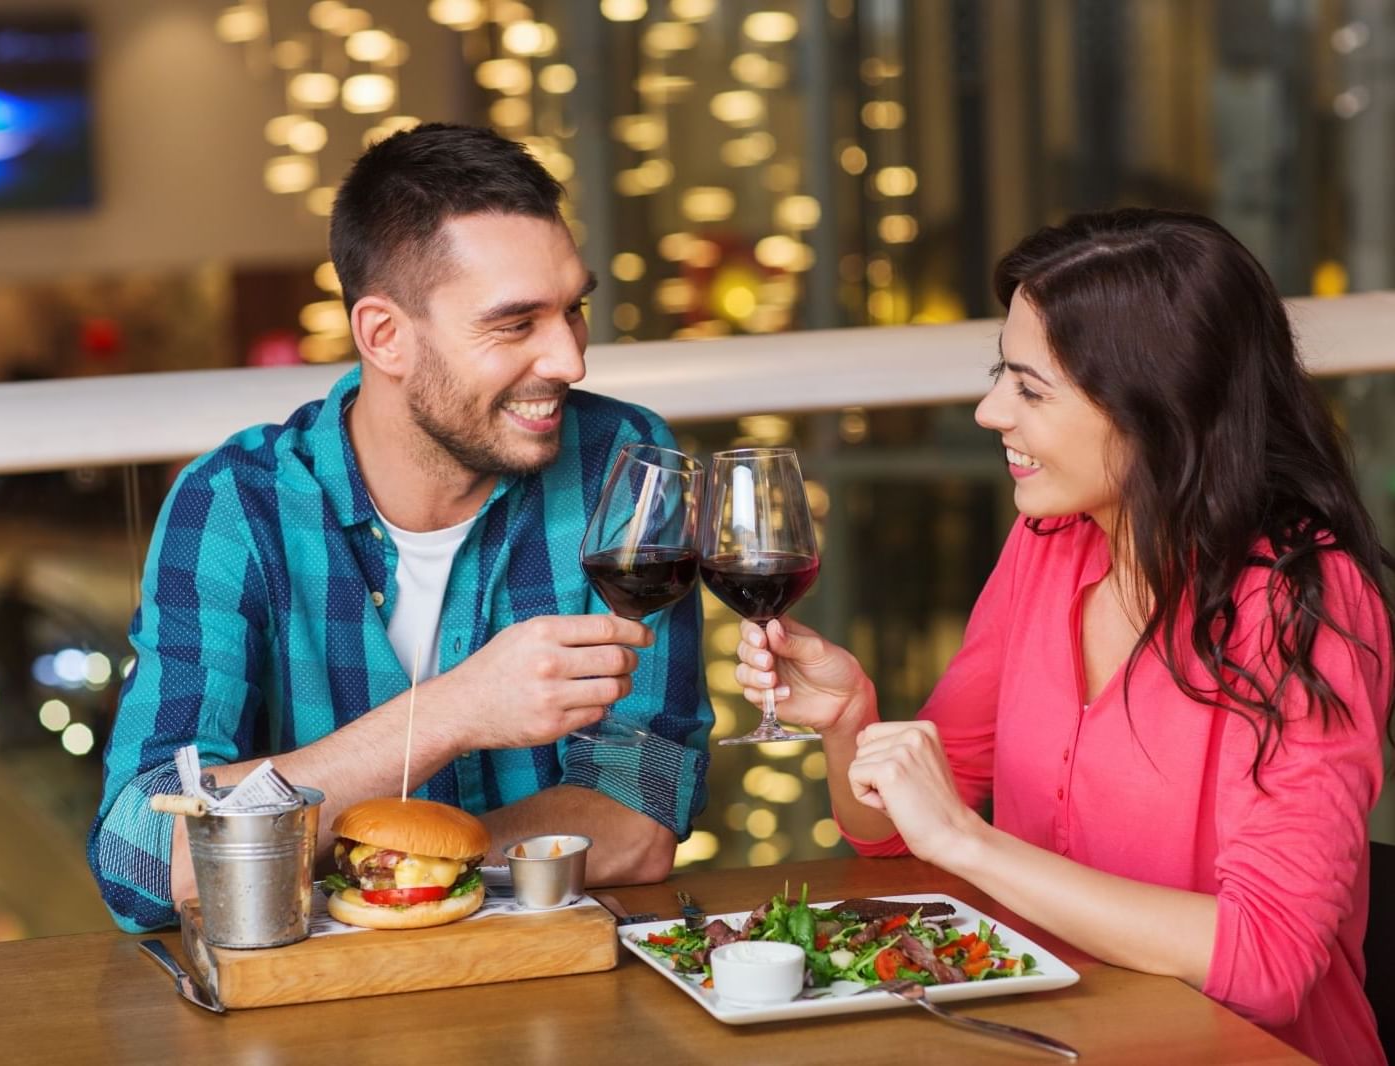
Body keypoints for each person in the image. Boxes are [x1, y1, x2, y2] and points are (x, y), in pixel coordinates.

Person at [735, 209, 1391, 1066]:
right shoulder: (1051, 543)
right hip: (1045, 1039)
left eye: (1029, 389)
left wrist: (971, 845)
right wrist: (849, 721)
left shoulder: (1305, 601)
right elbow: (892, 836)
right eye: (999, 376)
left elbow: (1267, 963)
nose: (987, 411)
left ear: (1157, 408)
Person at [88, 124, 713, 933]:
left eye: (573, 310)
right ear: (385, 335)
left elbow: (636, 822)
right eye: (515, 324)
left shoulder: (622, 467)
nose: (569, 360)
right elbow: (144, 860)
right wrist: (450, 713)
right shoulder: (235, 507)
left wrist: (396, 872)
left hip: (548, 989)